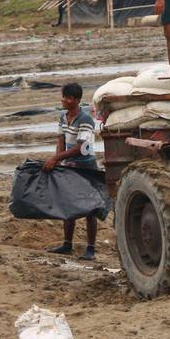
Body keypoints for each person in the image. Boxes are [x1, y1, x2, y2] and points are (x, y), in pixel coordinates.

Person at [45, 83, 103, 260]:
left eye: (68, 98)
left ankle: (91, 249)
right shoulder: (63, 117)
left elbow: (81, 148)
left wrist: (56, 159)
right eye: (63, 96)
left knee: (89, 209)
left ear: (77, 100)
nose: (64, 100)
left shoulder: (85, 120)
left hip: (86, 167)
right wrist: (59, 161)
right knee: (68, 206)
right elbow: (61, 141)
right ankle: (67, 245)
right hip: (70, 166)